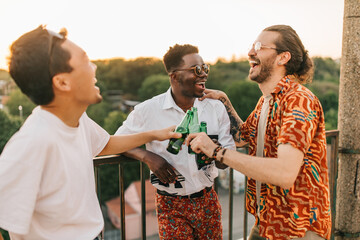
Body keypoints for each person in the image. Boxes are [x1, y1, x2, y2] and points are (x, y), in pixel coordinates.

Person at [0, 25, 180, 240]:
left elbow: (105, 144)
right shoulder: (31, 143)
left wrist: (152, 135)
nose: (94, 67)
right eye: (85, 61)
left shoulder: (77, 120)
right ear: (62, 82)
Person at [186, 25, 331, 240]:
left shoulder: (299, 100)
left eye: (259, 46)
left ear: (283, 57)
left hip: (297, 229)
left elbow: (284, 173)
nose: (250, 52)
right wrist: (224, 100)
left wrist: (215, 151)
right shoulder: (267, 100)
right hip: (267, 221)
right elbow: (243, 137)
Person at [115, 44, 235, 239]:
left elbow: (226, 159)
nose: (203, 74)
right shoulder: (148, 110)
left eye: (205, 68)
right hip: (171, 204)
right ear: (175, 76)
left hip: (208, 200)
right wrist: (147, 156)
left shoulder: (215, 108)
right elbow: (117, 140)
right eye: (197, 69)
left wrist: (214, 151)